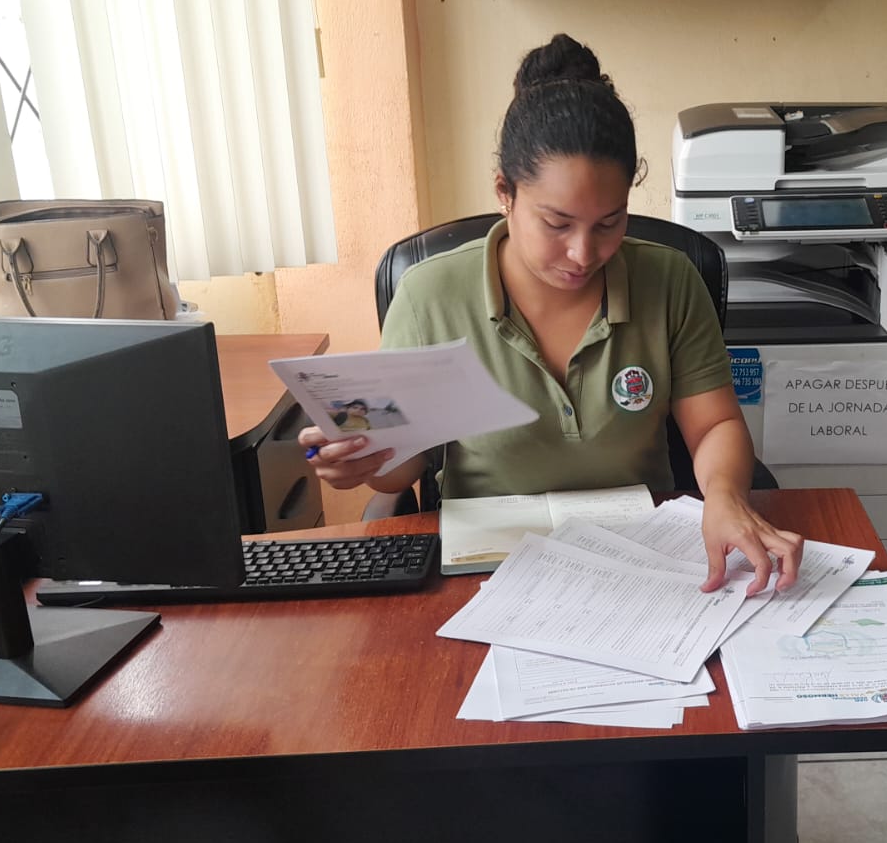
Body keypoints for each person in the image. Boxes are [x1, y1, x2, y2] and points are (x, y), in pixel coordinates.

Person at [299, 34, 802, 594]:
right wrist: (361, 460)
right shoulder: (429, 297)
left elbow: (713, 425)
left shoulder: (669, 281)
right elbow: (402, 469)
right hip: (488, 571)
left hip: (647, 562)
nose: (583, 254)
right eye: (557, 224)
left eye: (609, 223)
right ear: (505, 192)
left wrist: (725, 498)